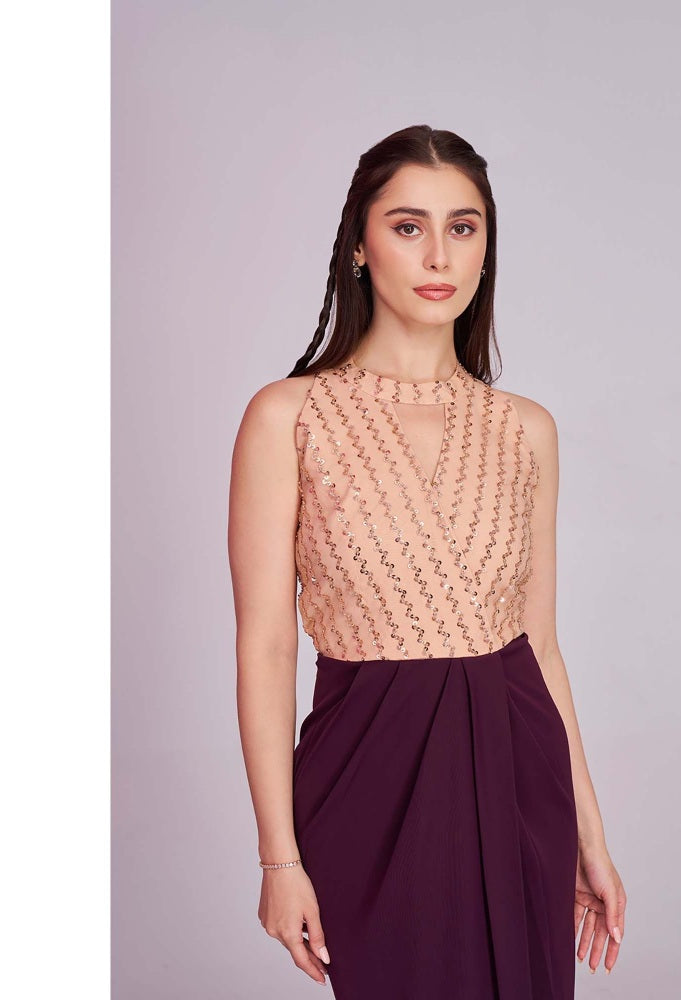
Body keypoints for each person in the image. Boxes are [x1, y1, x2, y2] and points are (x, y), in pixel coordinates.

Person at [228, 124, 626, 998]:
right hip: (366, 779)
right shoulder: (288, 417)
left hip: (519, 775)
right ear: (359, 245)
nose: (439, 254)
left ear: (487, 248)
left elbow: (541, 647)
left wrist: (590, 838)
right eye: (408, 226)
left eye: (464, 227)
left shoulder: (525, 429)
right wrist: (278, 858)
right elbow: (266, 646)